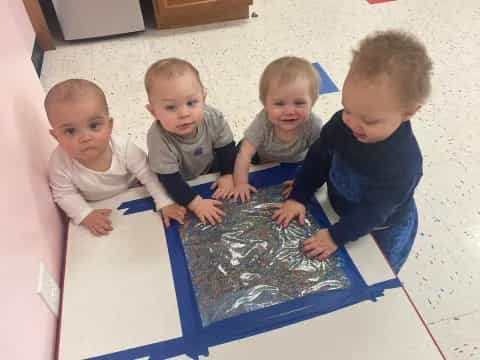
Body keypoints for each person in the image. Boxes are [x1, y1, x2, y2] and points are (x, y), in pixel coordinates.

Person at [273, 30, 433, 273]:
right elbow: (319, 156)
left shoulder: (403, 163)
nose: (352, 123)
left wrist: (335, 236)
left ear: (408, 113)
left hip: (380, 229)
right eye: (347, 109)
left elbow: (374, 211)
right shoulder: (343, 123)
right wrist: (300, 194)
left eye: (369, 120)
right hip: (337, 207)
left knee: (374, 276)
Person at [47, 79, 185, 236]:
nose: (85, 137)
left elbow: (147, 173)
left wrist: (164, 202)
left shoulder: (123, 148)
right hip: (100, 205)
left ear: (109, 124)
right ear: (56, 136)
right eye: (70, 131)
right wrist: (85, 214)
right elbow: (64, 194)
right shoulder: (59, 163)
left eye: (94, 126)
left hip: (136, 190)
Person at [145, 58, 237, 225]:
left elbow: (226, 148)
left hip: (209, 169)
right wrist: (196, 204)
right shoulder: (157, 138)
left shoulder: (213, 117)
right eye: (171, 107)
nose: (184, 113)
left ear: (204, 98)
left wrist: (228, 174)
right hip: (179, 180)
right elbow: (170, 180)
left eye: (191, 103)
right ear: (153, 112)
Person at [233, 56, 323, 202]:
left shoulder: (313, 125)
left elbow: (321, 160)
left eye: (299, 103)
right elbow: (245, 154)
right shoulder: (262, 122)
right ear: (265, 104)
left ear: (313, 102)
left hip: (297, 164)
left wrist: (305, 184)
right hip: (262, 160)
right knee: (239, 150)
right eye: (280, 104)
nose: (289, 111)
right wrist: (241, 184)